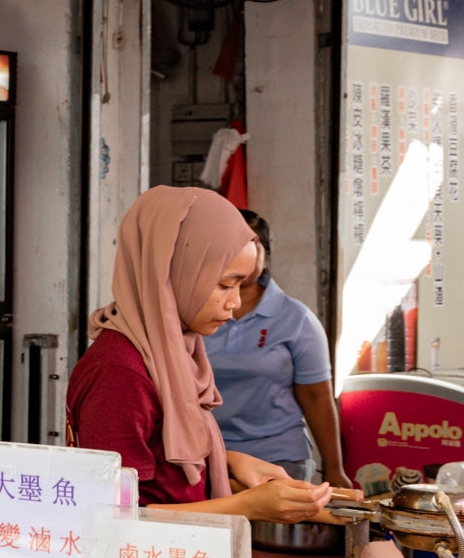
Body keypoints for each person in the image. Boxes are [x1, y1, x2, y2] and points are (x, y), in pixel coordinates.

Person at [65, 187, 330, 521]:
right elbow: (114, 517)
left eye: (241, 285)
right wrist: (247, 506)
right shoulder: (120, 372)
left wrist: (231, 460)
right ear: (175, 274)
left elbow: (161, 469)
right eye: (224, 285)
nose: (235, 304)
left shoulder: (171, 351)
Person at [206, 210, 346, 487]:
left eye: (250, 244)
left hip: (279, 460)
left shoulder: (296, 319)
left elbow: (317, 398)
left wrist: (334, 469)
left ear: (265, 252)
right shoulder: (197, 312)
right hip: (208, 455)